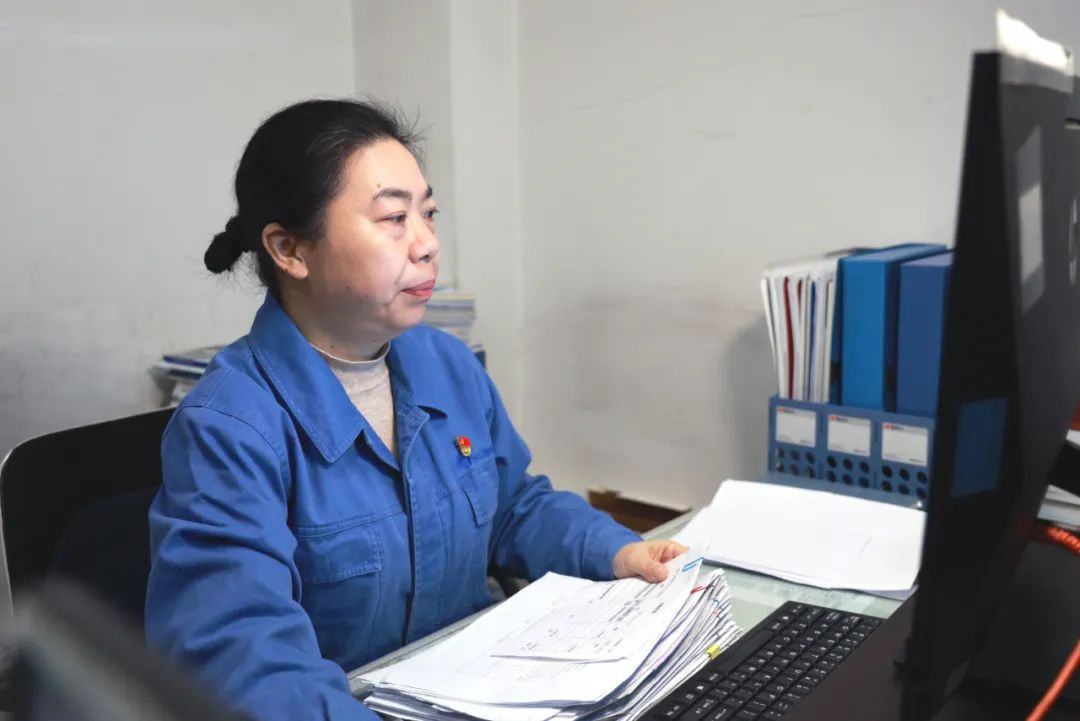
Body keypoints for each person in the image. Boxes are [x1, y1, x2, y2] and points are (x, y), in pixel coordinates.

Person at [144, 98, 688, 721]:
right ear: (289, 249)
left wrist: (615, 552)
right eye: (394, 218)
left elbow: (514, 507)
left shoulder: (445, 364)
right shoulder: (229, 425)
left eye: (428, 214)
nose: (428, 244)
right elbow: (246, 664)